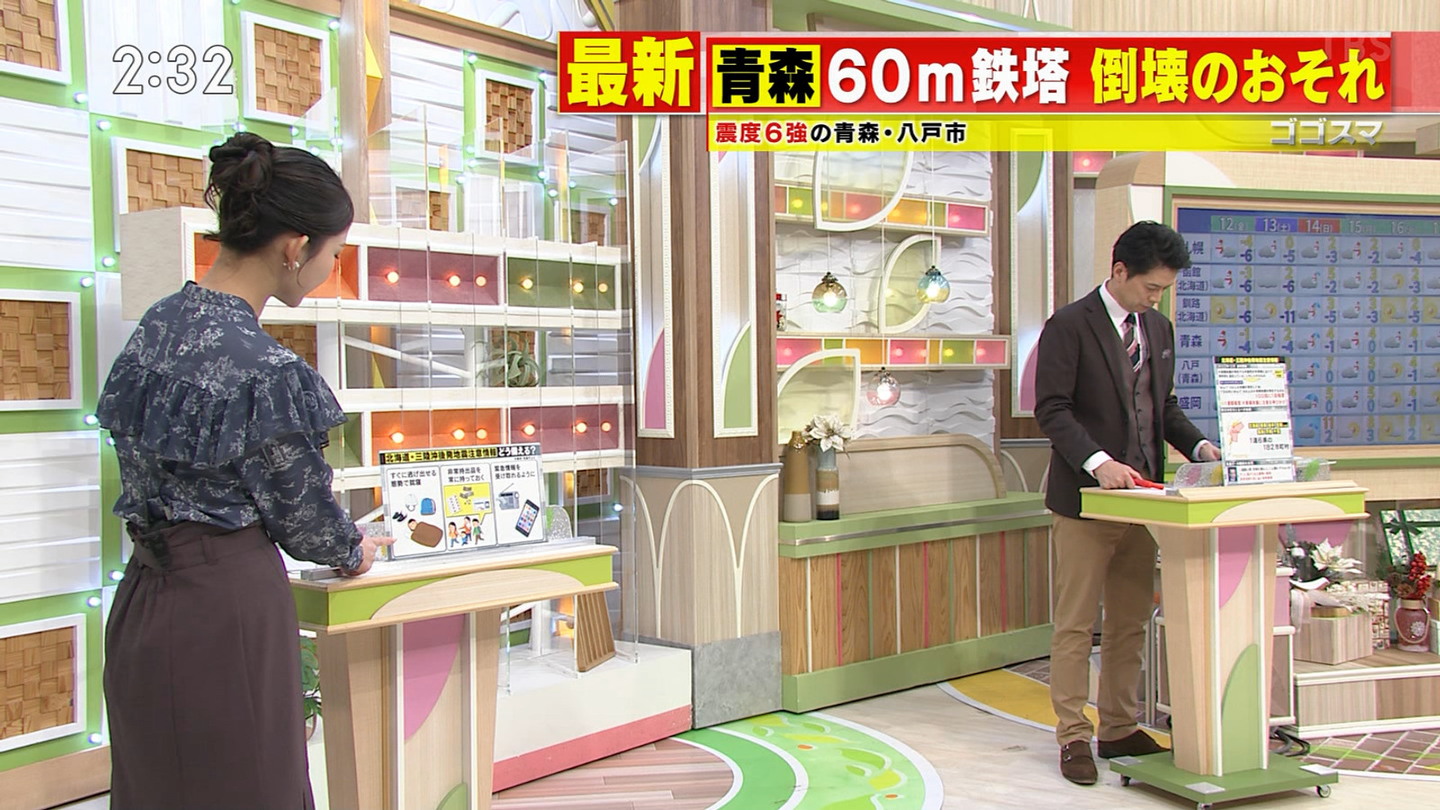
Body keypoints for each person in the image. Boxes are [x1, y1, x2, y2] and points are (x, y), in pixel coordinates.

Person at [97, 132, 393, 809]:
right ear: (295, 247)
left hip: (142, 604)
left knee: (156, 787)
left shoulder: (156, 326)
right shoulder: (265, 370)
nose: (331, 267)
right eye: (334, 253)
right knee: (249, 785)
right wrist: (354, 549)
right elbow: (307, 524)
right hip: (225, 612)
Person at [1034, 221, 1221, 786]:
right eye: (1151, 287)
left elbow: (1163, 406)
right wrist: (1098, 462)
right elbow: (1053, 409)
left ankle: (1118, 726)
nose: (1156, 298)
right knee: (1076, 623)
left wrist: (1201, 447)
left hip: (1144, 503)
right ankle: (1073, 734)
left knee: (1130, 619)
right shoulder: (1069, 325)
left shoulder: (1158, 328)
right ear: (1120, 271)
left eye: (1163, 289)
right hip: (1086, 502)